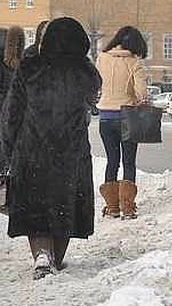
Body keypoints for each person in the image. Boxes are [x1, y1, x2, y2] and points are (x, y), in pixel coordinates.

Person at [0, 17, 102, 279]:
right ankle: (56, 257)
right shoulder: (86, 71)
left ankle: (41, 255)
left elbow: (12, 112)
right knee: (64, 206)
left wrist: (9, 148)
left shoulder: (30, 66)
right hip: (71, 153)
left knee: (35, 206)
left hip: (32, 149)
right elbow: (92, 102)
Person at [95, 26, 148, 220]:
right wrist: (139, 98)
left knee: (112, 160)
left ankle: (111, 207)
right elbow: (142, 92)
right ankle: (127, 206)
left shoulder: (102, 58)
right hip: (127, 117)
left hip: (106, 117)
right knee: (128, 161)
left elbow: (96, 83)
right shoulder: (134, 62)